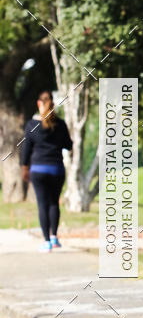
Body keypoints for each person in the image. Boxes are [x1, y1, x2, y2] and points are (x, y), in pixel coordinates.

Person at [20, 91, 73, 253]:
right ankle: (55, 237)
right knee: (53, 203)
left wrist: (24, 168)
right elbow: (69, 145)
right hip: (57, 168)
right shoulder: (61, 124)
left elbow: (26, 150)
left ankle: (46, 242)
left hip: (38, 170)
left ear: (38, 104)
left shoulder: (31, 125)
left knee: (42, 204)